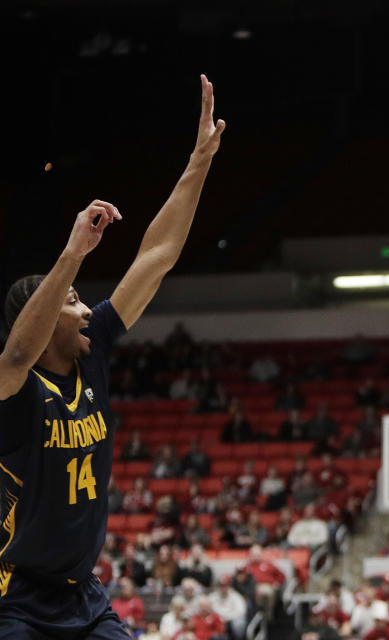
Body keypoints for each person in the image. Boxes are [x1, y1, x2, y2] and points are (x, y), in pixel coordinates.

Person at [0, 74, 223, 640]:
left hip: (85, 595)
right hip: (16, 599)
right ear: (46, 317)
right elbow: (19, 350)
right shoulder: (16, 387)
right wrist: (72, 252)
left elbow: (157, 255)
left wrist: (198, 161)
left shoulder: (92, 350)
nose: (86, 310)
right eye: (73, 303)